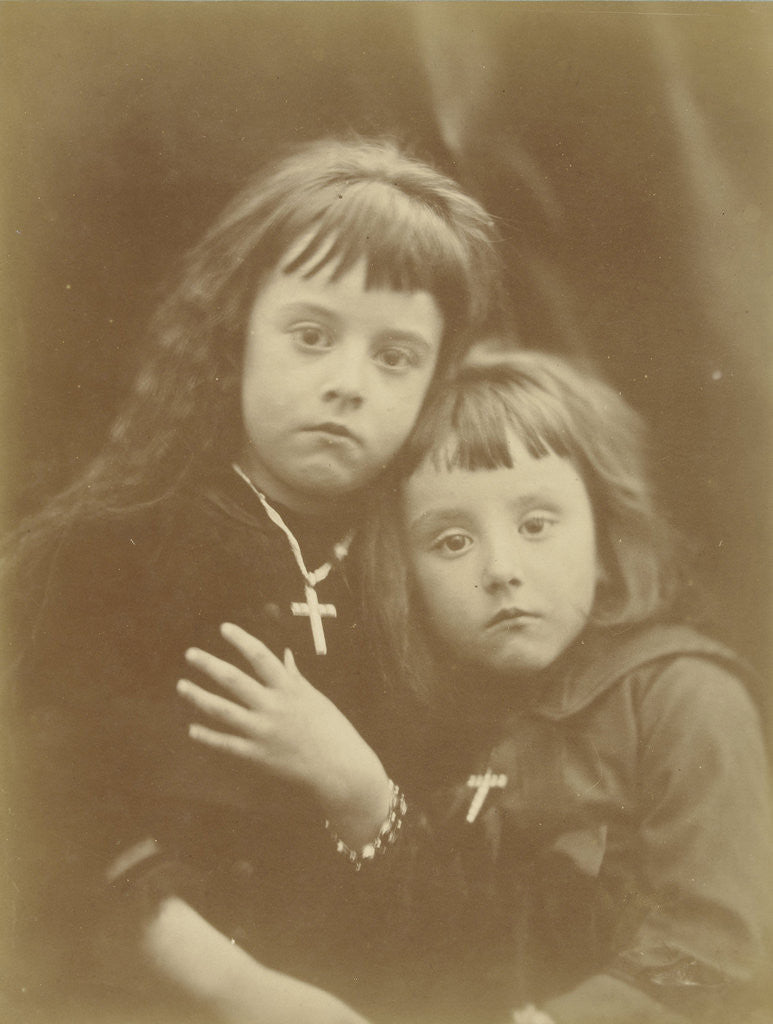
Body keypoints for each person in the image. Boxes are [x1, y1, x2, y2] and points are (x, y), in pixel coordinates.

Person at [3, 136, 504, 1023]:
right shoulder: (105, 552)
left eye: (395, 357)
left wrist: (360, 790)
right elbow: (51, 838)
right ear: (235, 333)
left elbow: (468, 915)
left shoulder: (430, 580)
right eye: (311, 336)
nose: (347, 384)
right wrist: (247, 993)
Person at [359, 351, 772, 1024]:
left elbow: (713, 950)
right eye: (453, 541)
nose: (501, 569)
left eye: (535, 525)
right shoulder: (428, 721)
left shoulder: (684, 699)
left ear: (605, 537)